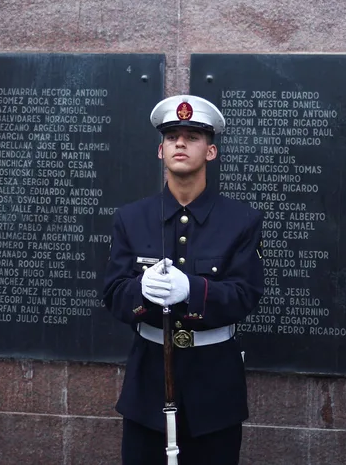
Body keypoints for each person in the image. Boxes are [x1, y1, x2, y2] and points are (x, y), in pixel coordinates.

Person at [104, 95, 265, 465]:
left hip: (214, 385)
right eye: (172, 136)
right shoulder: (131, 218)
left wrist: (193, 291)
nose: (180, 143)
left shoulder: (241, 220)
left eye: (192, 136)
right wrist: (139, 292)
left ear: (210, 151)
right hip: (148, 383)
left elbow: (246, 294)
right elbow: (113, 293)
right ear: (160, 150)